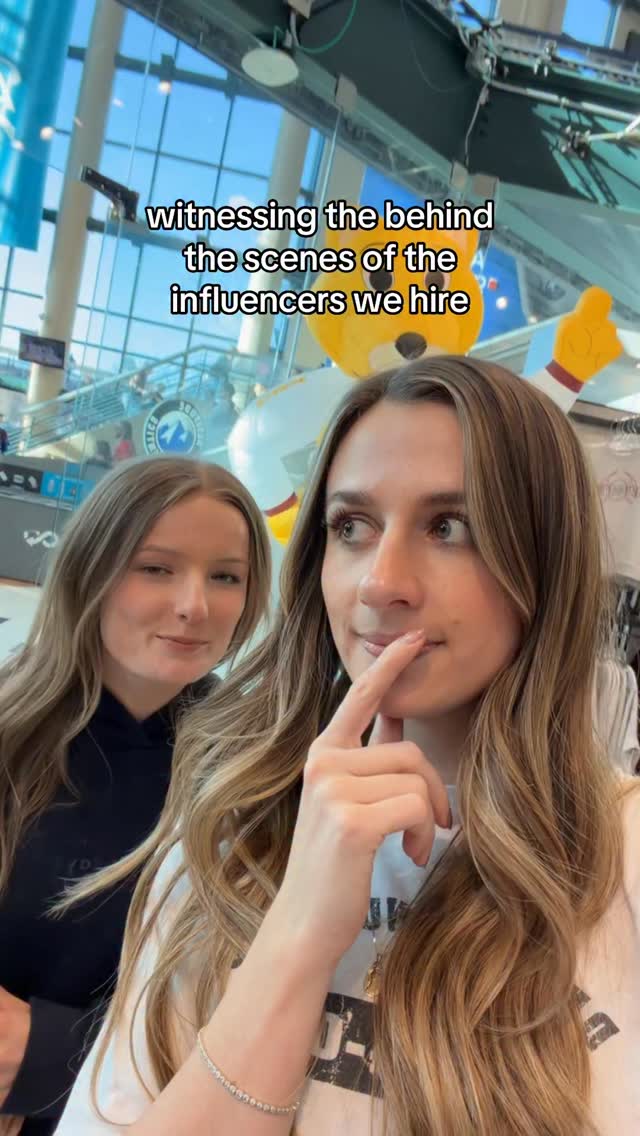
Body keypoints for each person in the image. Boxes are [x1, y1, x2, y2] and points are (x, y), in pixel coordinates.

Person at [55, 357, 640, 1136]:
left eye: (449, 527)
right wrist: (298, 936)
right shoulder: (230, 836)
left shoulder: (622, 856)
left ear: (545, 561)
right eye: (352, 528)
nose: (378, 582)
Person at [0, 456, 271, 1136]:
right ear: (90, 570)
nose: (194, 606)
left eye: (226, 577)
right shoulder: (9, 735)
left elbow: (241, 1015)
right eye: (155, 568)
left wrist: (45, 1054)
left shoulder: (253, 777)